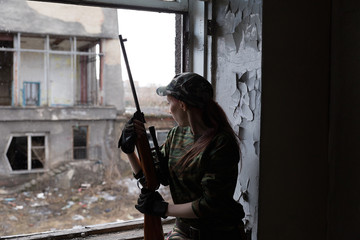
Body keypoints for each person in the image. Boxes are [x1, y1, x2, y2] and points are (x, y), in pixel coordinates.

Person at [119, 72, 245, 240]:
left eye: (170, 103)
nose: (169, 110)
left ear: (183, 105)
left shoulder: (221, 144)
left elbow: (210, 204)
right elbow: (151, 180)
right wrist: (130, 151)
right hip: (183, 232)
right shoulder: (177, 135)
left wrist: (163, 209)